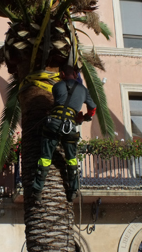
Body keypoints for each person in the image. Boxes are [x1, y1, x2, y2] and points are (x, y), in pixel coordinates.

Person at [31, 64, 97, 202]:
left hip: (53, 122)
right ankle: (73, 190)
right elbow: (93, 108)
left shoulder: (57, 86)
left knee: (45, 158)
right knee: (71, 158)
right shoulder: (83, 90)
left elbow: (59, 102)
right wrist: (84, 117)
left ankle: (37, 191)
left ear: (61, 74)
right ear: (75, 74)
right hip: (70, 125)